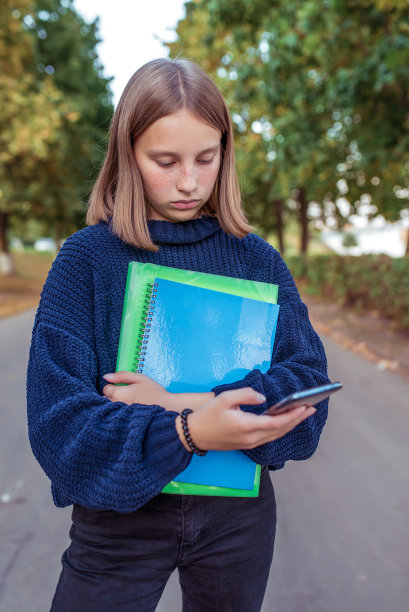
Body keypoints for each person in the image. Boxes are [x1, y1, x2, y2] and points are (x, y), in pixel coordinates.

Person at [27, 58, 330, 612]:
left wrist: (179, 406)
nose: (189, 181)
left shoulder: (257, 260)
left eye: (206, 158)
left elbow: (307, 381)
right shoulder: (87, 261)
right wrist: (186, 434)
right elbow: (58, 427)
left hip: (238, 523)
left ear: (225, 153)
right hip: (119, 521)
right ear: (127, 155)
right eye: (164, 161)